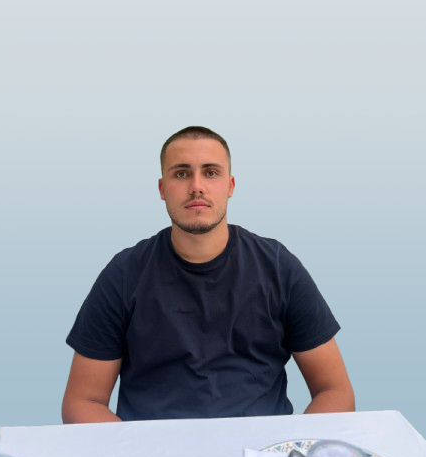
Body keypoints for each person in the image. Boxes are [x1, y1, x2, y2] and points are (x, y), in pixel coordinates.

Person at [62, 126, 355, 424]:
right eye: (181, 174)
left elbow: (335, 391)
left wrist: (289, 447)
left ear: (230, 185)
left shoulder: (279, 267)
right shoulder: (124, 274)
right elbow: (83, 401)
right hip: (153, 447)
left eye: (211, 172)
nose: (196, 186)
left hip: (259, 447)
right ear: (162, 189)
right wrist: (138, 450)